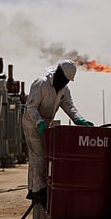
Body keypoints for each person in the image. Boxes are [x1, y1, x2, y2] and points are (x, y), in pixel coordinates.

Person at [22, 60, 94, 205]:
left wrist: (80, 120)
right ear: (58, 73)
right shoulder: (41, 83)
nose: (64, 83)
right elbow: (31, 107)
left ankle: (34, 189)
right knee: (38, 156)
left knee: (41, 156)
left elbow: (69, 107)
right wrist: (38, 122)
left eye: (67, 81)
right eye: (64, 79)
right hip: (31, 122)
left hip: (45, 123)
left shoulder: (64, 90)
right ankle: (38, 191)